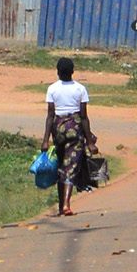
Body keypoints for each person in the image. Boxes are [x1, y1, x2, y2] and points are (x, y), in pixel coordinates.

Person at [43, 57, 96, 215]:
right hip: (75, 130)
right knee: (71, 166)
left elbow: (50, 116)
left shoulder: (52, 89)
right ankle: (65, 204)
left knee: (61, 166)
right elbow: (84, 117)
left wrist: (45, 140)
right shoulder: (80, 89)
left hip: (58, 131)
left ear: (57, 72)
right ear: (73, 72)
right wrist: (89, 142)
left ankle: (61, 206)